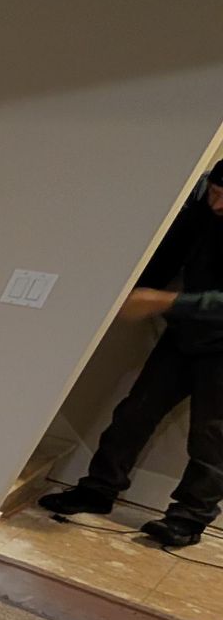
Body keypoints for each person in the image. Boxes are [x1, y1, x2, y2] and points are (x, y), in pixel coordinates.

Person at [41, 159, 223, 547]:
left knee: (212, 438)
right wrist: (134, 292)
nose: (218, 204)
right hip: (182, 337)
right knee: (134, 413)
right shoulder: (202, 208)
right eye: (215, 192)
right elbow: (171, 252)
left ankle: (187, 520)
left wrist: (165, 301)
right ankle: (97, 490)